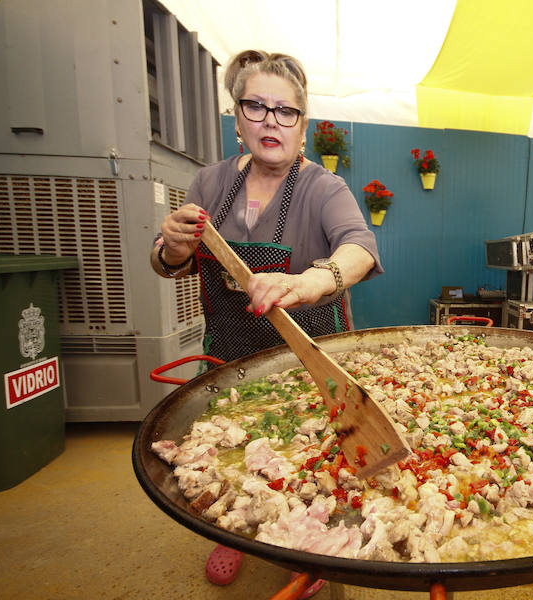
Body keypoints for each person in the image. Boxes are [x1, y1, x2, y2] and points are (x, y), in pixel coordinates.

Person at [149, 49, 382, 594]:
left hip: (307, 356)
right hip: (230, 353)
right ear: (237, 118)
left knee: (309, 460)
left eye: (286, 111)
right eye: (257, 107)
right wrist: (172, 247)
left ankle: (312, 542)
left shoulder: (324, 188)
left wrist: (306, 282)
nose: (271, 122)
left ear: (304, 125)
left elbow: (362, 248)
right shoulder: (208, 184)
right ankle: (233, 531)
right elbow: (168, 263)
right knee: (236, 454)